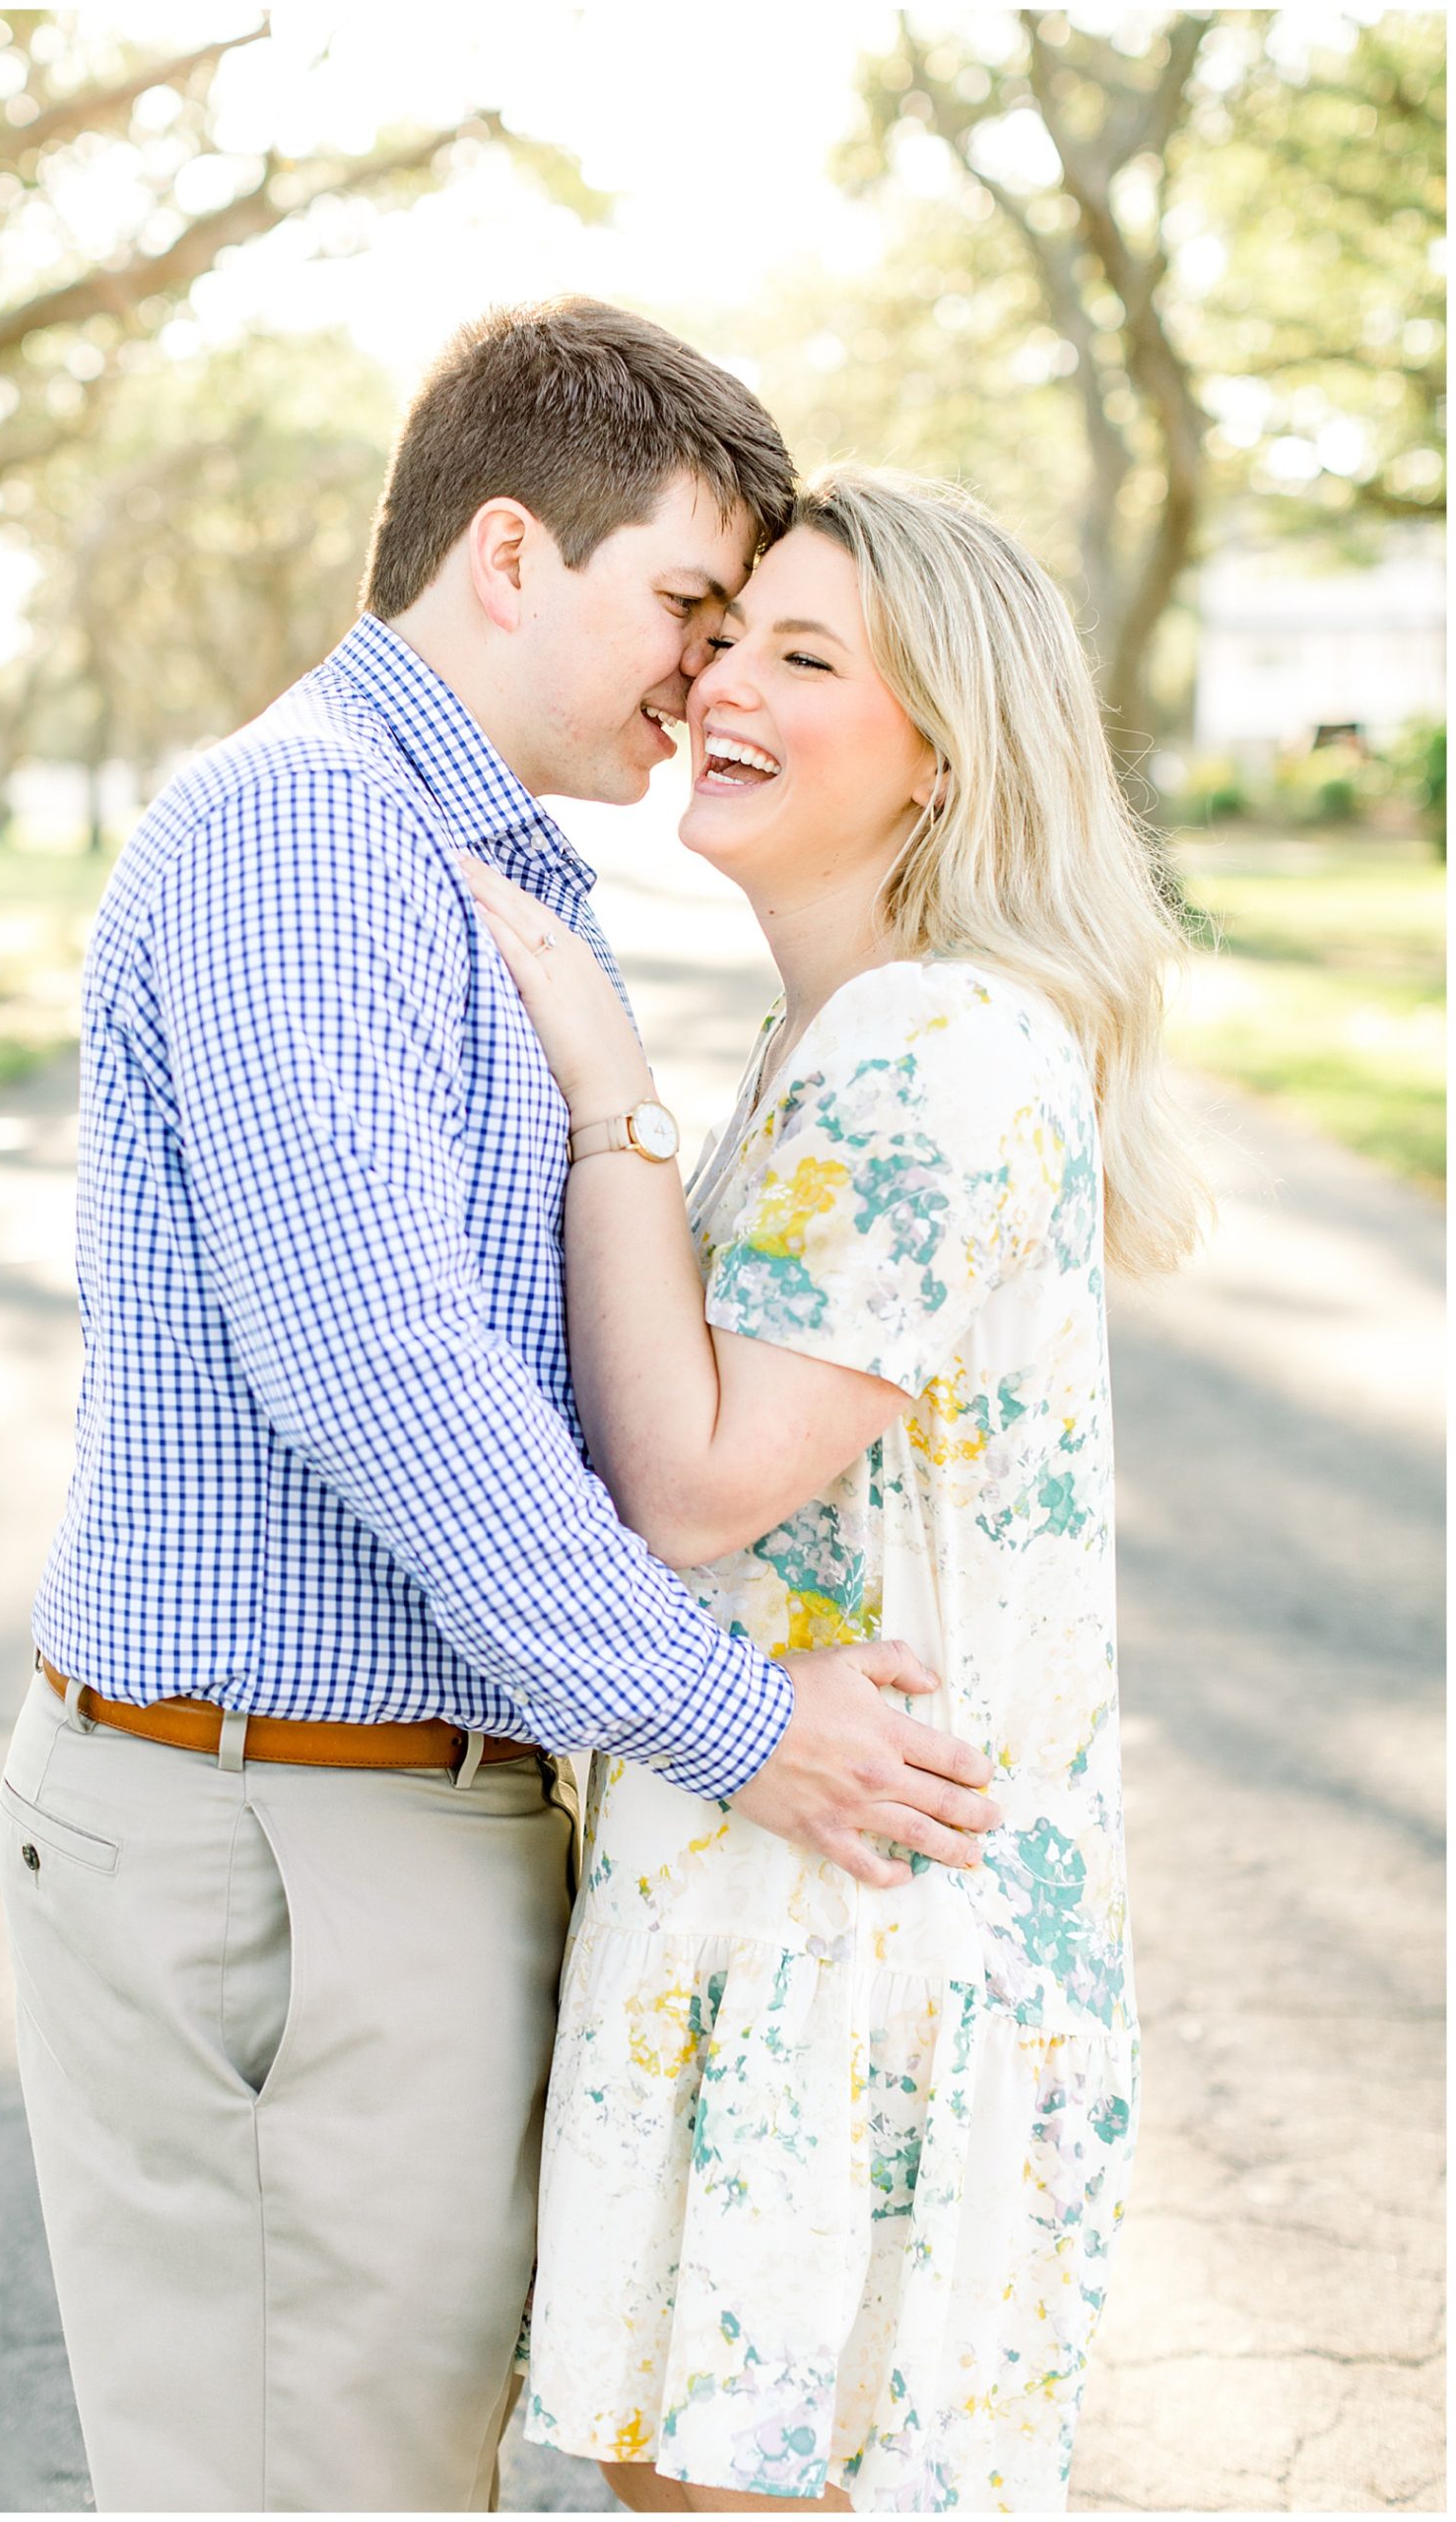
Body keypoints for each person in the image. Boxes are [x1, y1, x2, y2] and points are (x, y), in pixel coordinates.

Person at [0, 303, 999, 2516]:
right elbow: (380, 1366)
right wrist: (746, 1721)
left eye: (750, 634)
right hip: (274, 1833)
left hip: (387, 1822)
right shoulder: (305, 835)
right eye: (686, 603)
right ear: (515, 552)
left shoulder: (474, 860)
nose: (706, 673)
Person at [464, 465, 1211, 2513]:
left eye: (806, 654)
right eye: (724, 637)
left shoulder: (924, 1044)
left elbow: (694, 1486)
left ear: (940, 753)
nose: (722, 680)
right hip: (789, 1907)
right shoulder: (846, 1037)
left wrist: (599, 1088)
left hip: (852, 1948)